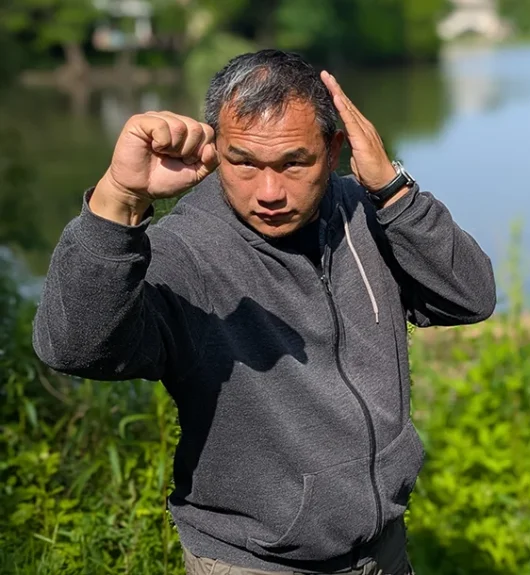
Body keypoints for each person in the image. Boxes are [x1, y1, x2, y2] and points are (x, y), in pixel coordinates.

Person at [32, 49, 496, 574]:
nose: (269, 192)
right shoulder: (187, 252)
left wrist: (392, 190)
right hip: (255, 561)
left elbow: (469, 297)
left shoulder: (366, 215)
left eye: (294, 162)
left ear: (334, 147)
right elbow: (72, 347)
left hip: (382, 549)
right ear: (216, 149)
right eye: (244, 162)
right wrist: (118, 201)